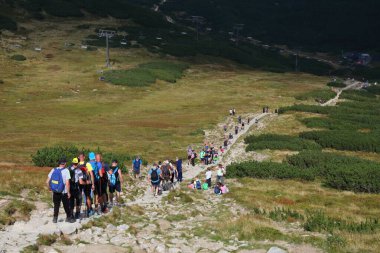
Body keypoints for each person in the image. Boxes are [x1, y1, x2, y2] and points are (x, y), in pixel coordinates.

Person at [47, 158, 74, 223]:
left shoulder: (53, 169)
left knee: (56, 205)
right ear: (64, 163)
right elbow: (67, 183)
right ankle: (68, 218)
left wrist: (50, 188)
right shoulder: (66, 171)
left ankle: (55, 218)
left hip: (55, 191)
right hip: (63, 192)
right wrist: (68, 192)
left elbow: (47, 181)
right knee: (66, 205)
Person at [78, 152, 93, 217]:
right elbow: (91, 174)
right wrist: (92, 183)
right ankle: (89, 210)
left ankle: (77, 212)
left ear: (79, 157)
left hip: (79, 183)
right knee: (87, 196)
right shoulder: (87, 164)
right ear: (84, 157)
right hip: (87, 182)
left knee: (79, 197)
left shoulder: (77, 164)